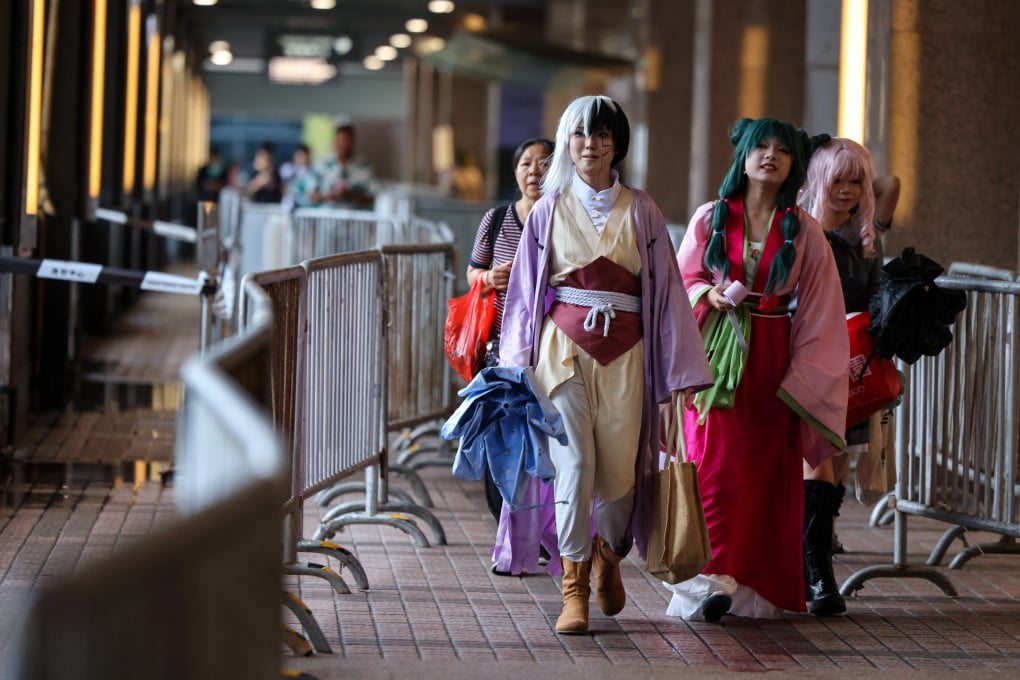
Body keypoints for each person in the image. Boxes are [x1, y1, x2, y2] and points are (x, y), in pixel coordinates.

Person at [499, 95, 712, 635]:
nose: (589, 145)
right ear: (568, 144)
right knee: (573, 466)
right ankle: (572, 589)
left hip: (627, 358)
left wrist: (682, 373)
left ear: (616, 144)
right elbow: (525, 291)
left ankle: (608, 556)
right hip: (561, 353)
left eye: (600, 136)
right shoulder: (547, 209)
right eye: (579, 136)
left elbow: (666, 294)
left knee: (620, 479)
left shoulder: (642, 210)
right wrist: (514, 365)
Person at [666, 118, 849, 622]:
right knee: (712, 467)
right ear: (742, 156)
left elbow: (821, 309)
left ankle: (751, 591)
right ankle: (707, 579)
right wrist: (709, 293)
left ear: (794, 164)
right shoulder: (710, 218)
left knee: (763, 476)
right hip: (716, 359)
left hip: (772, 359)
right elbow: (682, 280)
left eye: (781, 150)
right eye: (760, 147)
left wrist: (806, 379)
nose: (770, 156)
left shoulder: (806, 231)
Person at [798, 137, 901, 610]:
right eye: (836, 179)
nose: (847, 189)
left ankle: (813, 567)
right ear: (817, 179)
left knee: (833, 473)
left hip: (851, 369)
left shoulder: (863, 238)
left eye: (855, 180)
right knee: (817, 466)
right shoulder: (799, 230)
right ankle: (817, 574)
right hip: (805, 365)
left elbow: (888, 183)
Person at [465, 138, 555, 571]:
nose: (535, 171)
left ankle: (537, 531)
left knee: (543, 445)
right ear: (515, 171)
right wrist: (488, 277)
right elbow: (472, 269)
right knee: (499, 444)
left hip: (551, 350)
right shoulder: (497, 218)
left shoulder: (563, 217)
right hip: (500, 350)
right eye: (526, 163)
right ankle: (506, 519)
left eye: (545, 163)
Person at [311, 123, 376, 208]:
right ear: (335, 141)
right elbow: (311, 196)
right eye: (341, 140)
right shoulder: (322, 165)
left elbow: (373, 197)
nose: (344, 145)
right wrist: (330, 196)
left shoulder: (364, 166)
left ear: (353, 142)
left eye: (347, 141)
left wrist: (351, 194)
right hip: (327, 218)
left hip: (355, 218)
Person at [282, 144, 320, 210]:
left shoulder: (313, 174)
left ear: (308, 156)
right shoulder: (289, 170)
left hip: (306, 211)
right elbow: (285, 190)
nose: (299, 158)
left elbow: (311, 194)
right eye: (298, 155)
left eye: (302, 155)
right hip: (289, 210)